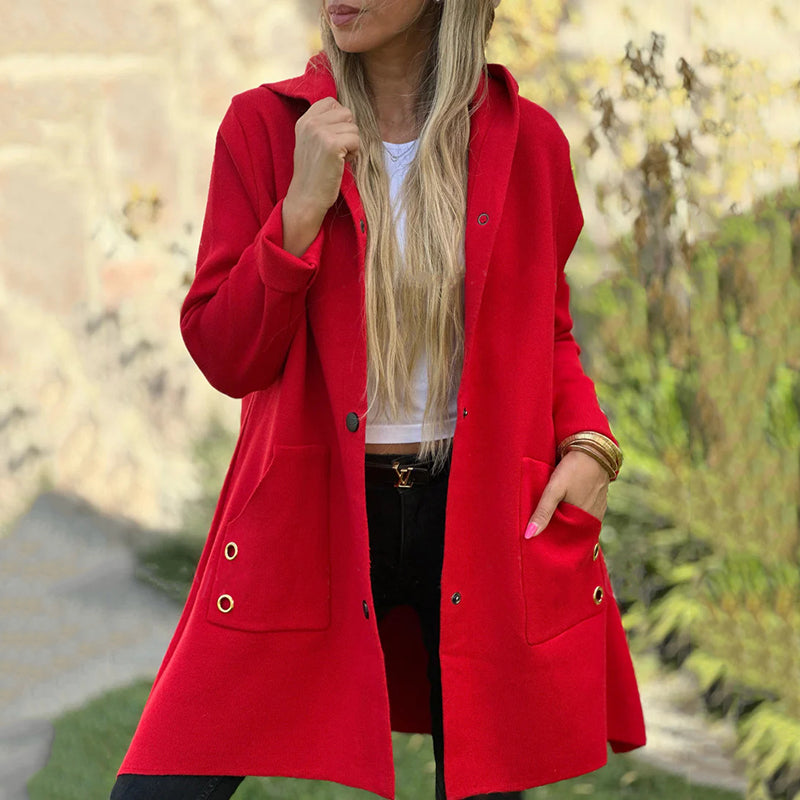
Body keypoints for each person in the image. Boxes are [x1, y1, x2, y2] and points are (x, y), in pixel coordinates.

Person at [110, 1, 646, 798]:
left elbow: (548, 332)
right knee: (160, 788)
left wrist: (590, 445)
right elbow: (227, 355)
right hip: (310, 509)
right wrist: (299, 209)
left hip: (479, 514)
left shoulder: (528, 142)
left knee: (484, 784)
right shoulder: (268, 129)